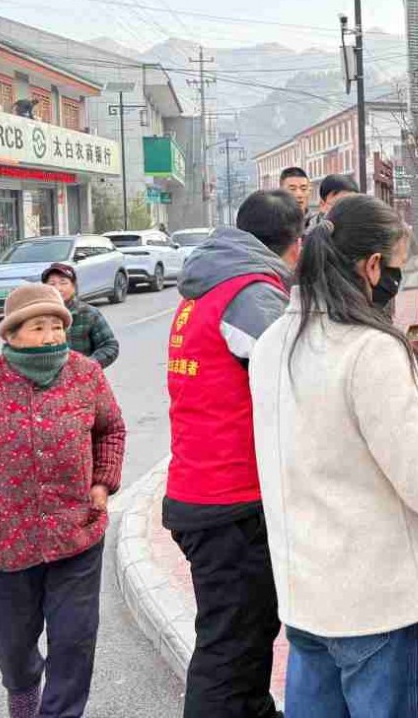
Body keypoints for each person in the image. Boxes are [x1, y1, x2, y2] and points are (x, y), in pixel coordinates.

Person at [250, 194, 418, 718]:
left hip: (308, 603)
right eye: (398, 268)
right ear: (372, 267)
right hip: (378, 610)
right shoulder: (370, 350)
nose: (398, 282)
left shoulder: (274, 341)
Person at [0, 283, 126, 718]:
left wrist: (102, 482)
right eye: (38, 327)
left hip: (76, 534)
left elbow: (110, 429)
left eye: (57, 325)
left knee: (74, 640)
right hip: (6, 544)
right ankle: (22, 689)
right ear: (11, 335)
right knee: (10, 645)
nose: (52, 335)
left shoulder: (86, 375)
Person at [163, 189, 305, 718]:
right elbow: (298, 371)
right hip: (228, 499)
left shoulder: (207, 284)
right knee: (232, 645)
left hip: (203, 489)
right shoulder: (249, 292)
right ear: (294, 244)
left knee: (243, 635)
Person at [41, 262, 120, 369]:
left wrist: (88, 365)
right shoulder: (35, 315)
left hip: (82, 379)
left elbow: (109, 346)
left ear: (74, 287)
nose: (58, 288)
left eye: (63, 283)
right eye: (52, 284)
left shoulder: (89, 313)